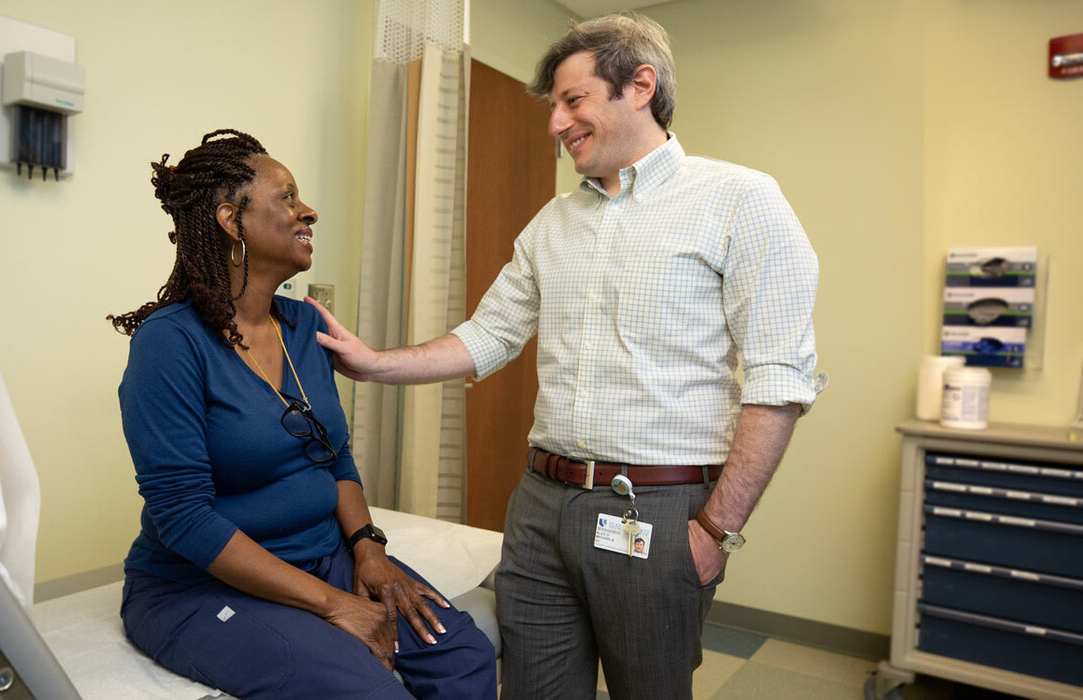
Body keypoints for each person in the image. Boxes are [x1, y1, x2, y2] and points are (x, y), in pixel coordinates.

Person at [310, 13, 823, 700]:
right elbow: (488, 335)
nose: (555, 123)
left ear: (640, 85)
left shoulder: (738, 201)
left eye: (572, 100)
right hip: (541, 507)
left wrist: (714, 531)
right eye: (554, 105)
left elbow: (778, 382)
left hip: (660, 509)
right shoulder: (554, 223)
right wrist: (374, 363)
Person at [108, 130, 495, 700]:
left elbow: (333, 454)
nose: (307, 210)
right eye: (287, 197)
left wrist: (368, 549)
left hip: (324, 558)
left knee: (463, 654)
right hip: (199, 587)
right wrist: (337, 606)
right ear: (229, 219)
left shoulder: (304, 329)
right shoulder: (170, 343)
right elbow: (183, 517)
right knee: (368, 691)